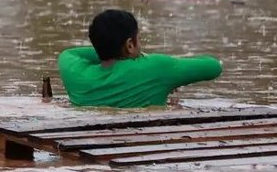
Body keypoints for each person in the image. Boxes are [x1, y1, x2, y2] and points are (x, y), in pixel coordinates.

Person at [58, 9, 222, 108]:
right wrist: (147, 61)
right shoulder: (157, 68)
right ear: (130, 45)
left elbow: (70, 53)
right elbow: (214, 67)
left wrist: (106, 50)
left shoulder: (75, 73)